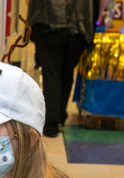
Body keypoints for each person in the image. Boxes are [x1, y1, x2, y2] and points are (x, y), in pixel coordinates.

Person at [27, 0, 96, 137]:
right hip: (77, 31)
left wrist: (29, 30)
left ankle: (51, 124)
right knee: (67, 73)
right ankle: (59, 117)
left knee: (51, 76)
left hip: (47, 28)